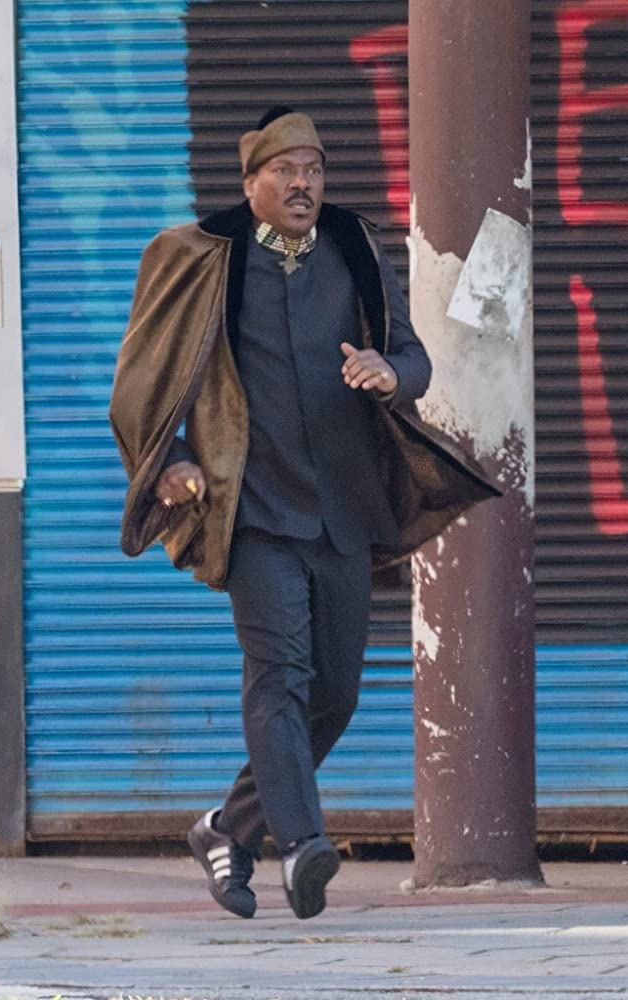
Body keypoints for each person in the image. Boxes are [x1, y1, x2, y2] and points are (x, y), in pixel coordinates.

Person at [109, 107, 497, 921]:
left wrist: (389, 374)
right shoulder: (204, 259)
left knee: (336, 694)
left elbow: (415, 359)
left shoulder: (354, 248)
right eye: (285, 171)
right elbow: (144, 378)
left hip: (344, 510)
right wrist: (171, 459)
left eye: (314, 170)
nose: (303, 185)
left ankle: (227, 828)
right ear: (251, 182)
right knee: (278, 676)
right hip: (253, 509)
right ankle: (302, 845)